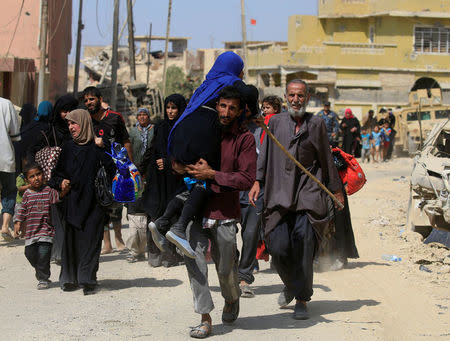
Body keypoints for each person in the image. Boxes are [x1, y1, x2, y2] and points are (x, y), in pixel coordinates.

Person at [249, 79, 344, 320]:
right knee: (277, 246)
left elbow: (325, 158)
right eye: (291, 95)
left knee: (303, 246)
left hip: (307, 194)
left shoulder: (317, 124)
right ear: (285, 97)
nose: (295, 100)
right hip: (279, 192)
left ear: (308, 97)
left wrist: (335, 190)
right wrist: (257, 180)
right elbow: (265, 156)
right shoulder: (275, 122)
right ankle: (291, 284)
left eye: (300, 96)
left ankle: (302, 298)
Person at [150, 51, 254, 258]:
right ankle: (179, 228)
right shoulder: (230, 80)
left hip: (182, 131)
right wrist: (256, 112)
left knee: (189, 177)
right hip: (202, 131)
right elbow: (250, 93)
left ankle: (163, 220)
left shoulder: (207, 82)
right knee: (204, 174)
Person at [178, 86, 257, 338]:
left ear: (239, 111)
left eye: (232, 108)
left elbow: (246, 178)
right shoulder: (202, 128)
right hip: (195, 210)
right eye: (222, 105)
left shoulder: (244, 139)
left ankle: (231, 298)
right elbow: (178, 158)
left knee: (225, 269)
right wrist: (180, 166)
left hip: (224, 212)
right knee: (195, 262)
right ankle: (204, 318)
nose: (225, 112)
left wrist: (212, 175)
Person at [48, 109, 115, 295]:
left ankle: (87, 280)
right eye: (69, 124)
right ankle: (70, 278)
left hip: (94, 204)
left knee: (91, 241)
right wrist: (60, 182)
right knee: (71, 243)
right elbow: (55, 175)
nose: (70, 127)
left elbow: (114, 166)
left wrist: (105, 145)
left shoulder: (97, 147)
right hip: (72, 202)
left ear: (84, 123)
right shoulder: (67, 148)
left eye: (74, 123)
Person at [82, 86, 130, 254]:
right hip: (94, 171)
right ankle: (107, 243)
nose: (89, 102)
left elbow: (125, 141)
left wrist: (129, 166)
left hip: (115, 168)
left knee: (116, 205)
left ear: (100, 99)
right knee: (99, 205)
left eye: (92, 99)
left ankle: (119, 238)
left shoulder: (115, 118)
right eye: (86, 100)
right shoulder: (85, 120)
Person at [141, 94, 186, 267]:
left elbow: (186, 152)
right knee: (154, 212)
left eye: (174, 108)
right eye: (168, 107)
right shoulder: (160, 126)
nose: (170, 111)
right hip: (157, 180)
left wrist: (168, 162)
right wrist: (139, 169)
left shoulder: (183, 127)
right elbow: (152, 149)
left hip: (175, 179)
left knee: (172, 214)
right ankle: (154, 252)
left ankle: (170, 255)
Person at [13, 163, 67, 289]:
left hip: (46, 231)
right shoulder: (27, 194)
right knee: (29, 254)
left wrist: (64, 190)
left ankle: (43, 278)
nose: (36, 178)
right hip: (31, 232)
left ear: (43, 175)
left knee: (43, 254)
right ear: (27, 180)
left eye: (38, 174)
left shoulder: (48, 190)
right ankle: (40, 270)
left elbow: (58, 197)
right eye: (32, 176)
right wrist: (18, 223)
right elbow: (22, 209)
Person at [0, 97, 21, 241]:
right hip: (4, 157)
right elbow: (15, 134)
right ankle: (5, 226)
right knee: (9, 192)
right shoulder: (6, 104)